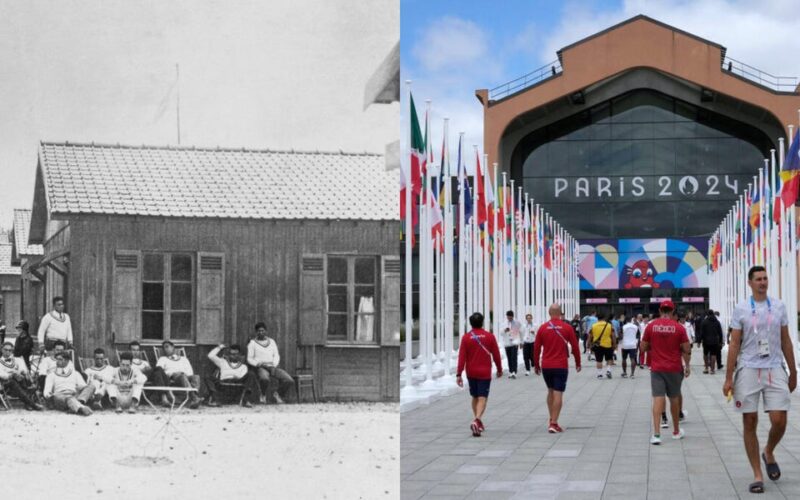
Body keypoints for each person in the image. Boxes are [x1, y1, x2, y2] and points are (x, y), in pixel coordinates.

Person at [722, 266, 796, 495]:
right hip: (749, 368)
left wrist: (793, 371)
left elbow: (786, 340)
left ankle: (769, 451)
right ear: (750, 283)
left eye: (765, 278)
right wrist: (728, 377)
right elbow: (734, 344)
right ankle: (757, 474)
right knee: (750, 420)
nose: (763, 282)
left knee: (779, 419)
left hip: (774, 367)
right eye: (758, 279)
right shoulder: (742, 308)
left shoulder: (779, 306)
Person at [641, 300, 690, 445]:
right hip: (674, 368)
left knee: (658, 398)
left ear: (660, 311)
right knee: (674, 398)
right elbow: (687, 349)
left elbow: (643, 348)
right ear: (673, 311)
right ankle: (676, 431)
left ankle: (656, 434)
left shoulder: (651, 326)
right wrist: (687, 365)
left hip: (657, 368)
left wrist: (653, 348)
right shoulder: (679, 328)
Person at [533, 304, 581, 433]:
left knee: (550, 391)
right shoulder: (567, 327)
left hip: (547, 365)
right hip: (560, 365)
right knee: (558, 392)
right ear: (560, 312)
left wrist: (536, 365)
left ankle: (551, 418)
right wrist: (578, 362)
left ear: (549, 312)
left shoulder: (543, 328)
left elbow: (536, 348)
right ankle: (554, 423)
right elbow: (575, 346)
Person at [456, 312, 502, 437]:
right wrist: (499, 368)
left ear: (470, 323)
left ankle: (478, 420)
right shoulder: (489, 336)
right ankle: (477, 420)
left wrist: (458, 374)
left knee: (475, 397)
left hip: (471, 371)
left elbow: (462, 356)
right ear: (482, 322)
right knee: (483, 397)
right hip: (484, 372)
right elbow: (496, 354)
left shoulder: (466, 337)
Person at [247, 322, 294, 404]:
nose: (261, 332)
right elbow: (249, 358)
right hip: (261, 367)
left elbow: (276, 355)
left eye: (262, 330)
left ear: (266, 331)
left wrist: (274, 364)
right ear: (256, 332)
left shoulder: (272, 341)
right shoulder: (252, 343)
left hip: (272, 366)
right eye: (259, 331)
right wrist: (257, 364)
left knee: (289, 380)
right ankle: (263, 394)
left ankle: (278, 394)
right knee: (264, 379)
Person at [152, 341, 202, 409]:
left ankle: (193, 398)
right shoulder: (162, 359)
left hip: (185, 377)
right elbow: (159, 371)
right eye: (164, 348)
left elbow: (190, 372)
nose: (165, 349)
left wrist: (184, 375)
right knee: (182, 375)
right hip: (173, 378)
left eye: (167, 347)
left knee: (196, 377)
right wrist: (172, 374)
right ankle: (194, 397)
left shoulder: (184, 359)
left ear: (173, 347)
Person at [43, 350, 94, 416]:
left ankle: (76, 405)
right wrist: (50, 395)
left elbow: (83, 386)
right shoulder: (51, 375)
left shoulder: (75, 373)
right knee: (67, 398)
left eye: (60, 359)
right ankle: (81, 408)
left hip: (74, 395)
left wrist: (79, 389)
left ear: (67, 361)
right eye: (57, 359)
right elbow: (46, 392)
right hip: (60, 396)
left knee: (91, 386)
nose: (57, 361)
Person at [0, 342, 43, 410]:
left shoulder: (17, 360)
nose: (8, 352)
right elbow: (2, 374)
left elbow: (23, 369)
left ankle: (28, 403)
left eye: (10, 350)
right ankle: (33, 404)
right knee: (13, 382)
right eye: (6, 350)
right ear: (1, 350)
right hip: (6, 384)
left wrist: (20, 373)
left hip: (20, 381)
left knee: (24, 376)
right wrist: (12, 374)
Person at [588, 313, 616, 379]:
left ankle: (600, 374)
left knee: (599, 360)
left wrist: (588, 344)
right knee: (609, 359)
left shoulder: (593, 326)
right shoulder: (609, 325)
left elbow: (590, 336)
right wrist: (614, 344)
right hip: (608, 345)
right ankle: (608, 371)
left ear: (597, 318)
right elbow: (613, 336)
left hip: (597, 346)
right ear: (604, 318)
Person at [699, 309, 723, 374]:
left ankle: (706, 368)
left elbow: (701, 332)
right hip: (715, 341)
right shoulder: (717, 322)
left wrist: (699, 341)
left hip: (706, 341)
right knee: (713, 354)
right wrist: (720, 342)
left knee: (705, 354)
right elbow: (720, 333)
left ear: (707, 314)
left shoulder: (704, 322)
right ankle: (712, 370)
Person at [500, 311, 522, 379]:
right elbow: (501, 333)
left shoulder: (517, 323)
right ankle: (510, 371)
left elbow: (521, 332)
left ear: (512, 316)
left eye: (510, 316)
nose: (509, 317)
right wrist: (505, 330)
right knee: (509, 358)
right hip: (507, 343)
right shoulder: (504, 324)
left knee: (514, 357)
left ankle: (514, 372)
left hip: (514, 343)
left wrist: (521, 342)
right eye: (508, 316)